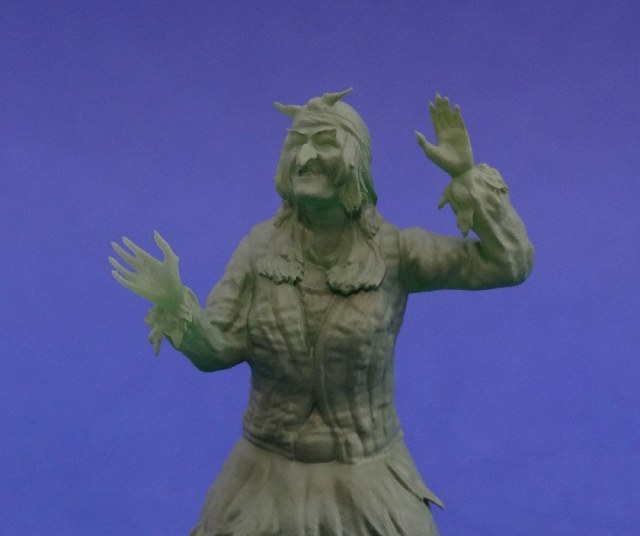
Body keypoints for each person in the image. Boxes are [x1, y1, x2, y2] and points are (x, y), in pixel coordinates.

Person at [110, 89, 533, 536]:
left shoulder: (396, 252)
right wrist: (175, 304)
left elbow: (508, 263)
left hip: (368, 476)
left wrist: (466, 176)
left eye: (325, 142)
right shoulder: (258, 248)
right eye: (297, 143)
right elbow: (218, 347)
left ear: (356, 161)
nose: (306, 156)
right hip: (265, 478)